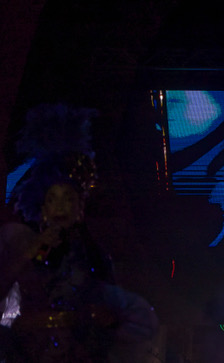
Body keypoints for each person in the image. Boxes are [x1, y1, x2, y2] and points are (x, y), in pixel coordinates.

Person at [0, 104, 158, 362]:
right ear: (43, 208)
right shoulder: (23, 243)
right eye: (53, 199)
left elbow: (113, 306)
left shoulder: (95, 254)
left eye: (68, 199)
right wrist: (31, 253)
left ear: (79, 208)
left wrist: (105, 318)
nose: (61, 206)